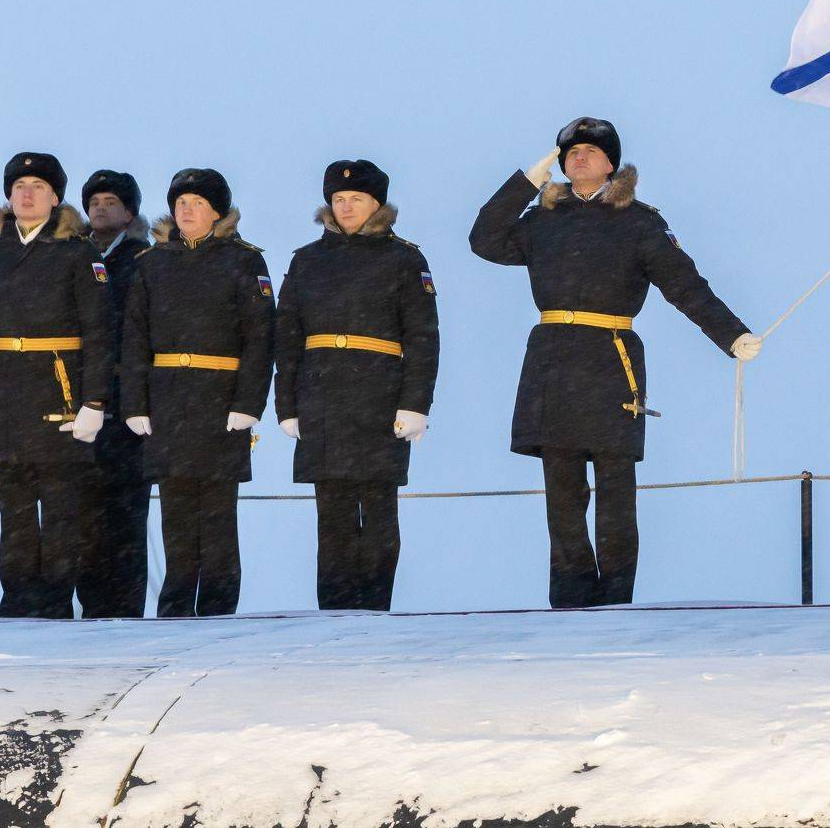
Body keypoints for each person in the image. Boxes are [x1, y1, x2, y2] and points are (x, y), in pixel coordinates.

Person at [470, 117, 762, 608]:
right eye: (570, 152)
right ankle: (570, 597)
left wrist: (730, 335)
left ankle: (615, 601)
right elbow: (483, 239)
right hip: (551, 360)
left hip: (612, 359)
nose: (578, 157)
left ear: (612, 164)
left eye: (590, 150)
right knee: (562, 492)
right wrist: (525, 183)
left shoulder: (639, 221)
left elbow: (685, 285)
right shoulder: (542, 219)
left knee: (615, 491)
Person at [0, 152, 113, 619]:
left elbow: (99, 331)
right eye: (19, 186)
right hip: (3, 396)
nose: (26, 194)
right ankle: (16, 603)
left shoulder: (78, 253)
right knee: (15, 511)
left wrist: (95, 400)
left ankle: (56, 603)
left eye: (38, 187)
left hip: (59, 394)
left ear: (55, 198)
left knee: (60, 510)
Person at [274, 160, 440, 611]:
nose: (346, 207)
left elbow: (423, 338)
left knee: (379, 512)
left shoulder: (405, 259)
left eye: (357, 199)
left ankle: (375, 607)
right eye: (339, 199)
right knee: (332, 517)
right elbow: (286, 338)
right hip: (321, 399)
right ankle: (334, 612)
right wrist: (286, 405)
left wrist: (416, 404)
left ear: (376, 204)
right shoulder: (306, 260)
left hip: (380, 401)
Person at [121, 168, 274, 617]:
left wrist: (248, 403)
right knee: (175, 510)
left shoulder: (244, 261)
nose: (187, 211)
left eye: (198, 204)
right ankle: (174, 606)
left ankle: (217, 607)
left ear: (217, 212)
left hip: (220, 400)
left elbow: (260, 338)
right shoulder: (152, 263)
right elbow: (135, 337)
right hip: (168, 400)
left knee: (217, 513)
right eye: (181, 203)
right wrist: (135, 403)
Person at [77, 169, 153, 618]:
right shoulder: (76, 254)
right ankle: (92, 607)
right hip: (82, 398)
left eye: (111, 202)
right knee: (85, 513)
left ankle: (126, 609)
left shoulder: (144, 259)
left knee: (127, 513)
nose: (101, 209)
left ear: (129, 213)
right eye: (95, 202)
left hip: (128, 400)